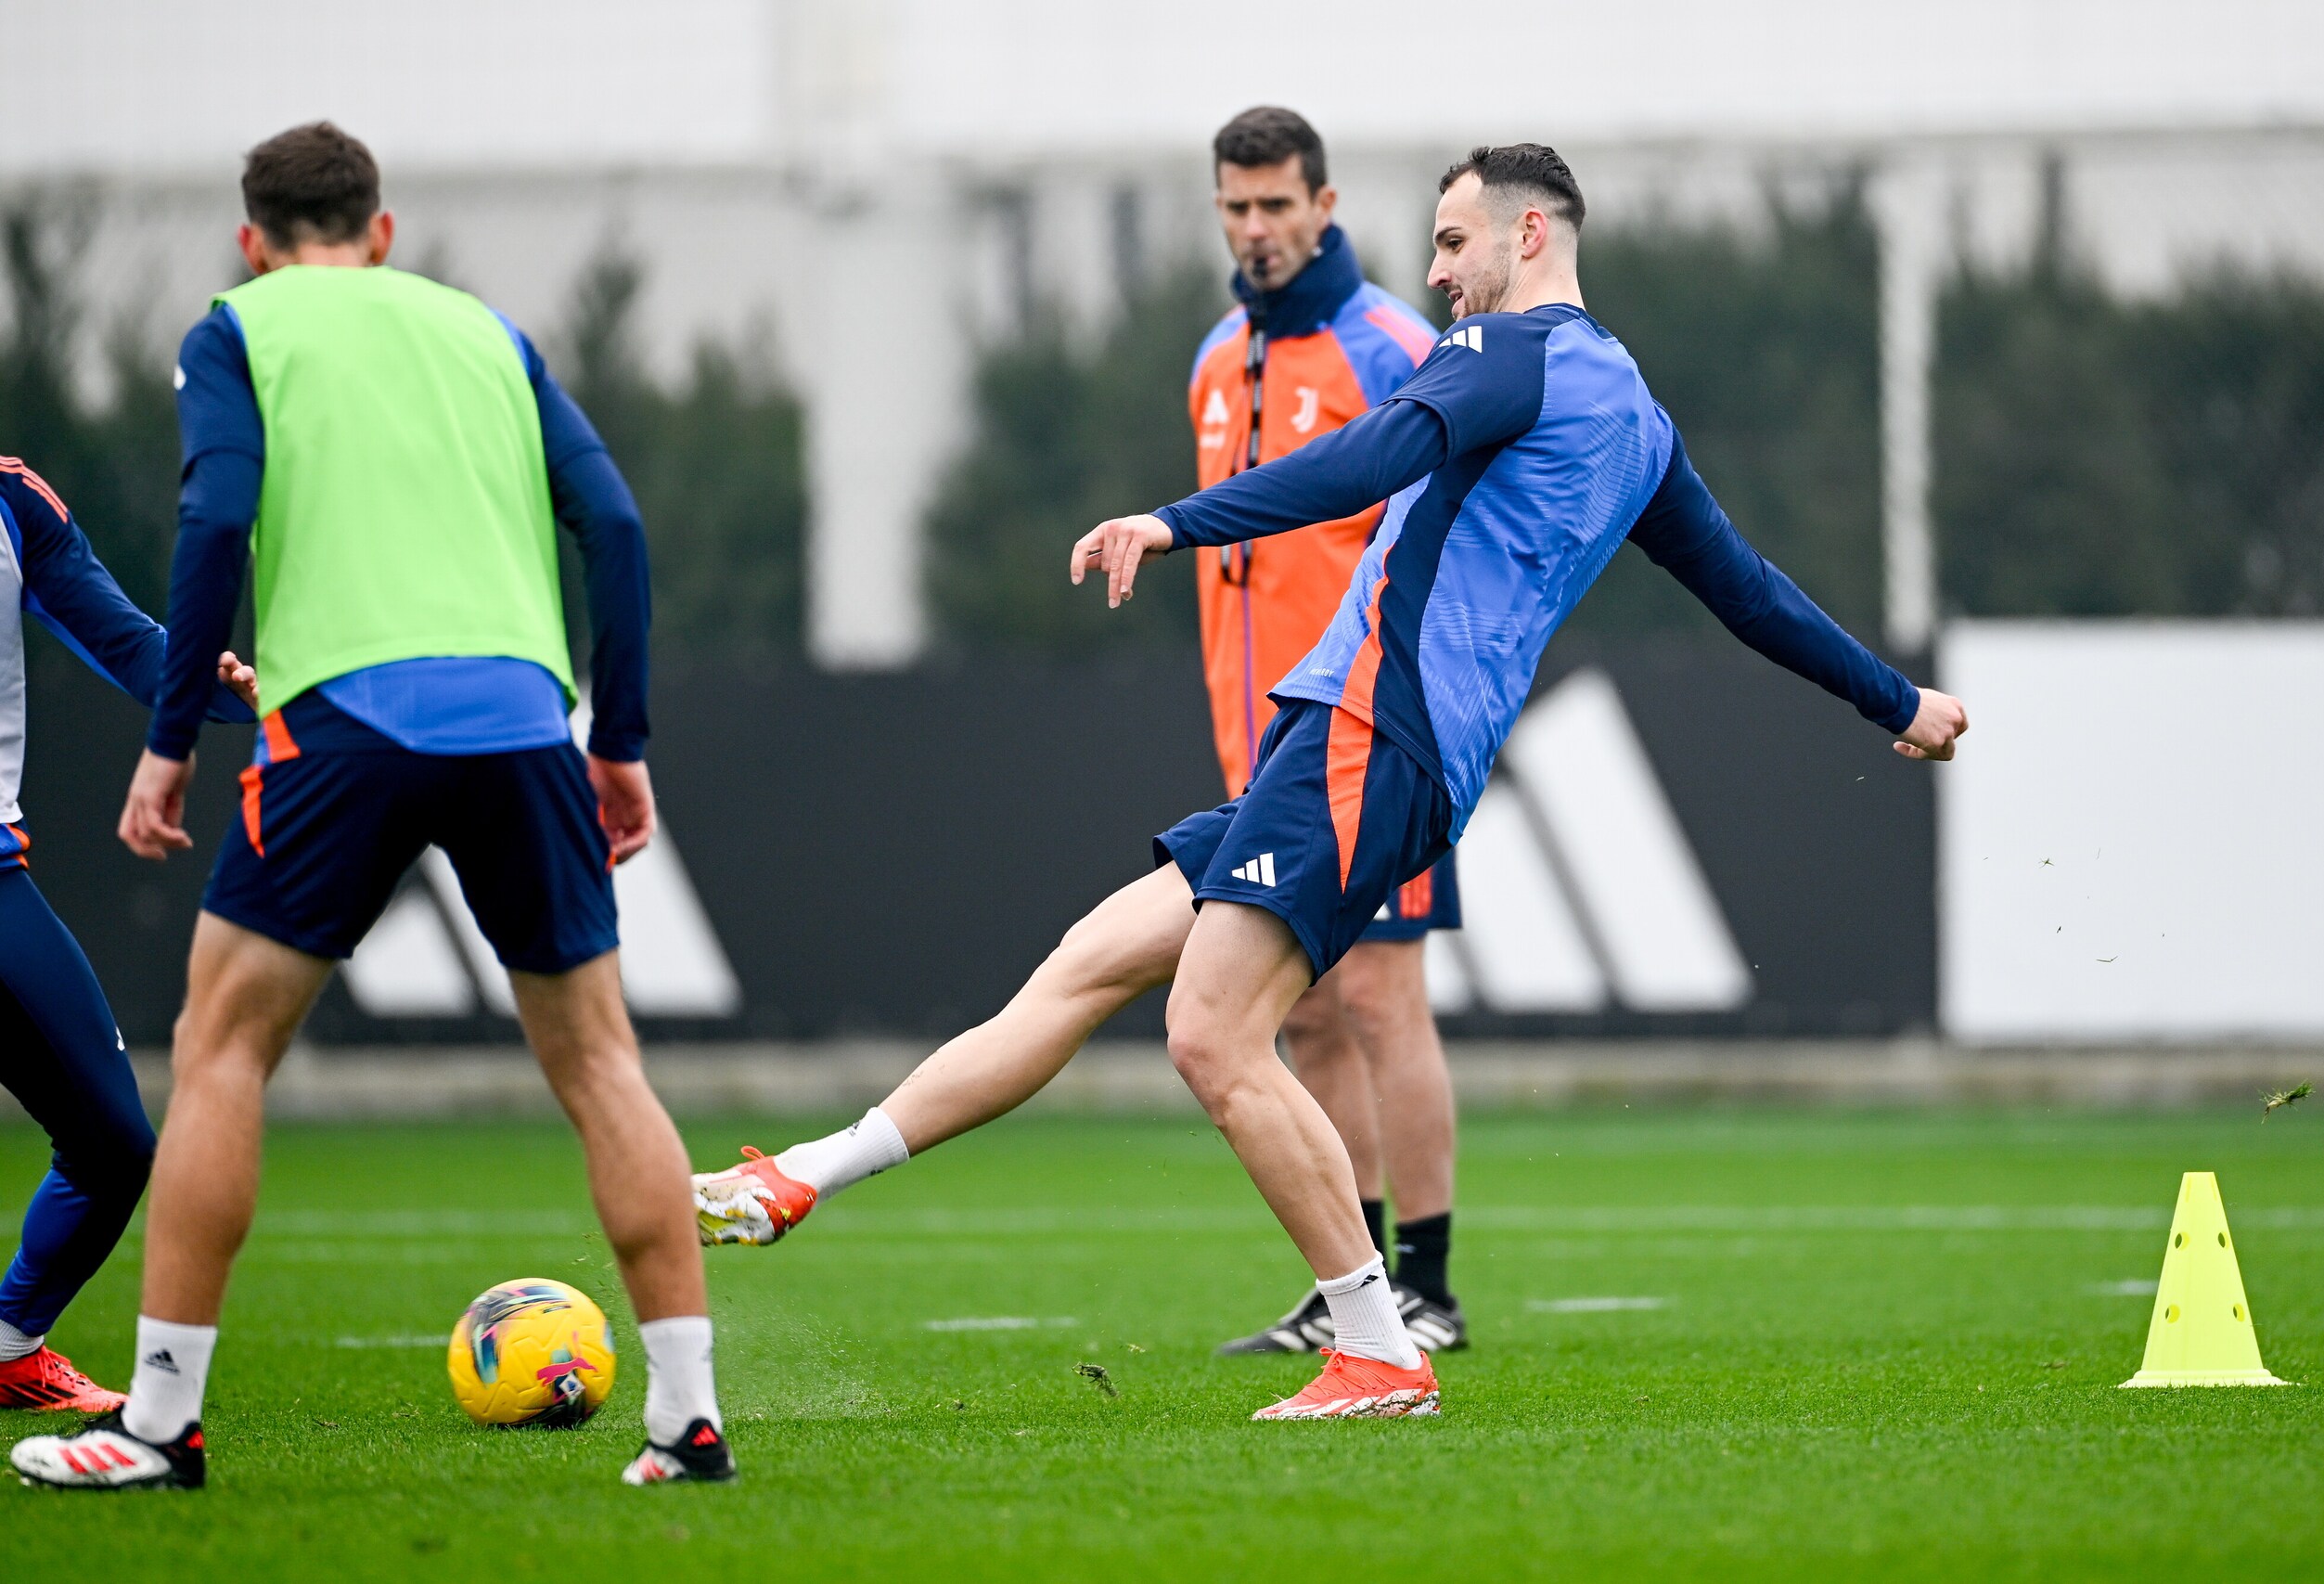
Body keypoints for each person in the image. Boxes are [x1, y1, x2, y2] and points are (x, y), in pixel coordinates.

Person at [692, 143, 1969, 1422]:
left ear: (1529, 235)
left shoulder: (1504, 351)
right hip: (1364, 740)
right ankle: (803, 1173)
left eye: (1454, 242)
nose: (1437, 272)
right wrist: (1896, 699)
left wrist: (1174, 522)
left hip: (1371, 729)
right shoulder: (1634, 415)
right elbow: (1750, 593)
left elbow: (1366, 459)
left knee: (1211, 1032)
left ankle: (1379, 1345)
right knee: (1087, 963)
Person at [10, 122, 732, 1490]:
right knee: (601, 1064)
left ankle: (159, 1426)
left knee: (222, 1051)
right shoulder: (486, 332)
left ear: (253, 242)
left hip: (342, 723)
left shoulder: (239, 328)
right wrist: (620, 738)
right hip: (523, 720)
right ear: (382, 232)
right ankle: (687, 1421)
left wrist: (170, 738)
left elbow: (216, 521)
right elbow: (617, 526)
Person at [1190, 108, 1467, 1358]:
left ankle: (1430, 1286)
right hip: (1258, 748)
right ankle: (1349, 1282)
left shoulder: (1395, 346)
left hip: (1370, 733)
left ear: (1324, 204)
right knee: (1297, 1014)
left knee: (1381, 994)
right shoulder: (1215, 360)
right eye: (1236, 207)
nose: (1255, 228)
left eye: (1275, 205)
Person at [0, 458, 254, 1412]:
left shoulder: (13, 501)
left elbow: (128, 644)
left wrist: (212, 683)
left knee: (112, 1143)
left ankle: (10, 1345)